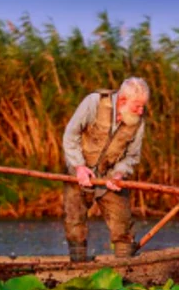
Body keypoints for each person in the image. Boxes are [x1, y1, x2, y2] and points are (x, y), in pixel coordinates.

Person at [61, 77, 149, 262]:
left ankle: (125, 266)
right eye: (137, 107)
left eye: (143, 106)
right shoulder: (94, 102)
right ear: (123, 100)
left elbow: (132, 156)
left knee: (122, 225)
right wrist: (79, 167)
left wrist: (119, 174)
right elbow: (70, 134)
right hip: (79, 171)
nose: (141, 111)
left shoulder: (138, 121)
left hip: (110, 175)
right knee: (74, 221)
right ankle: (77, 267)